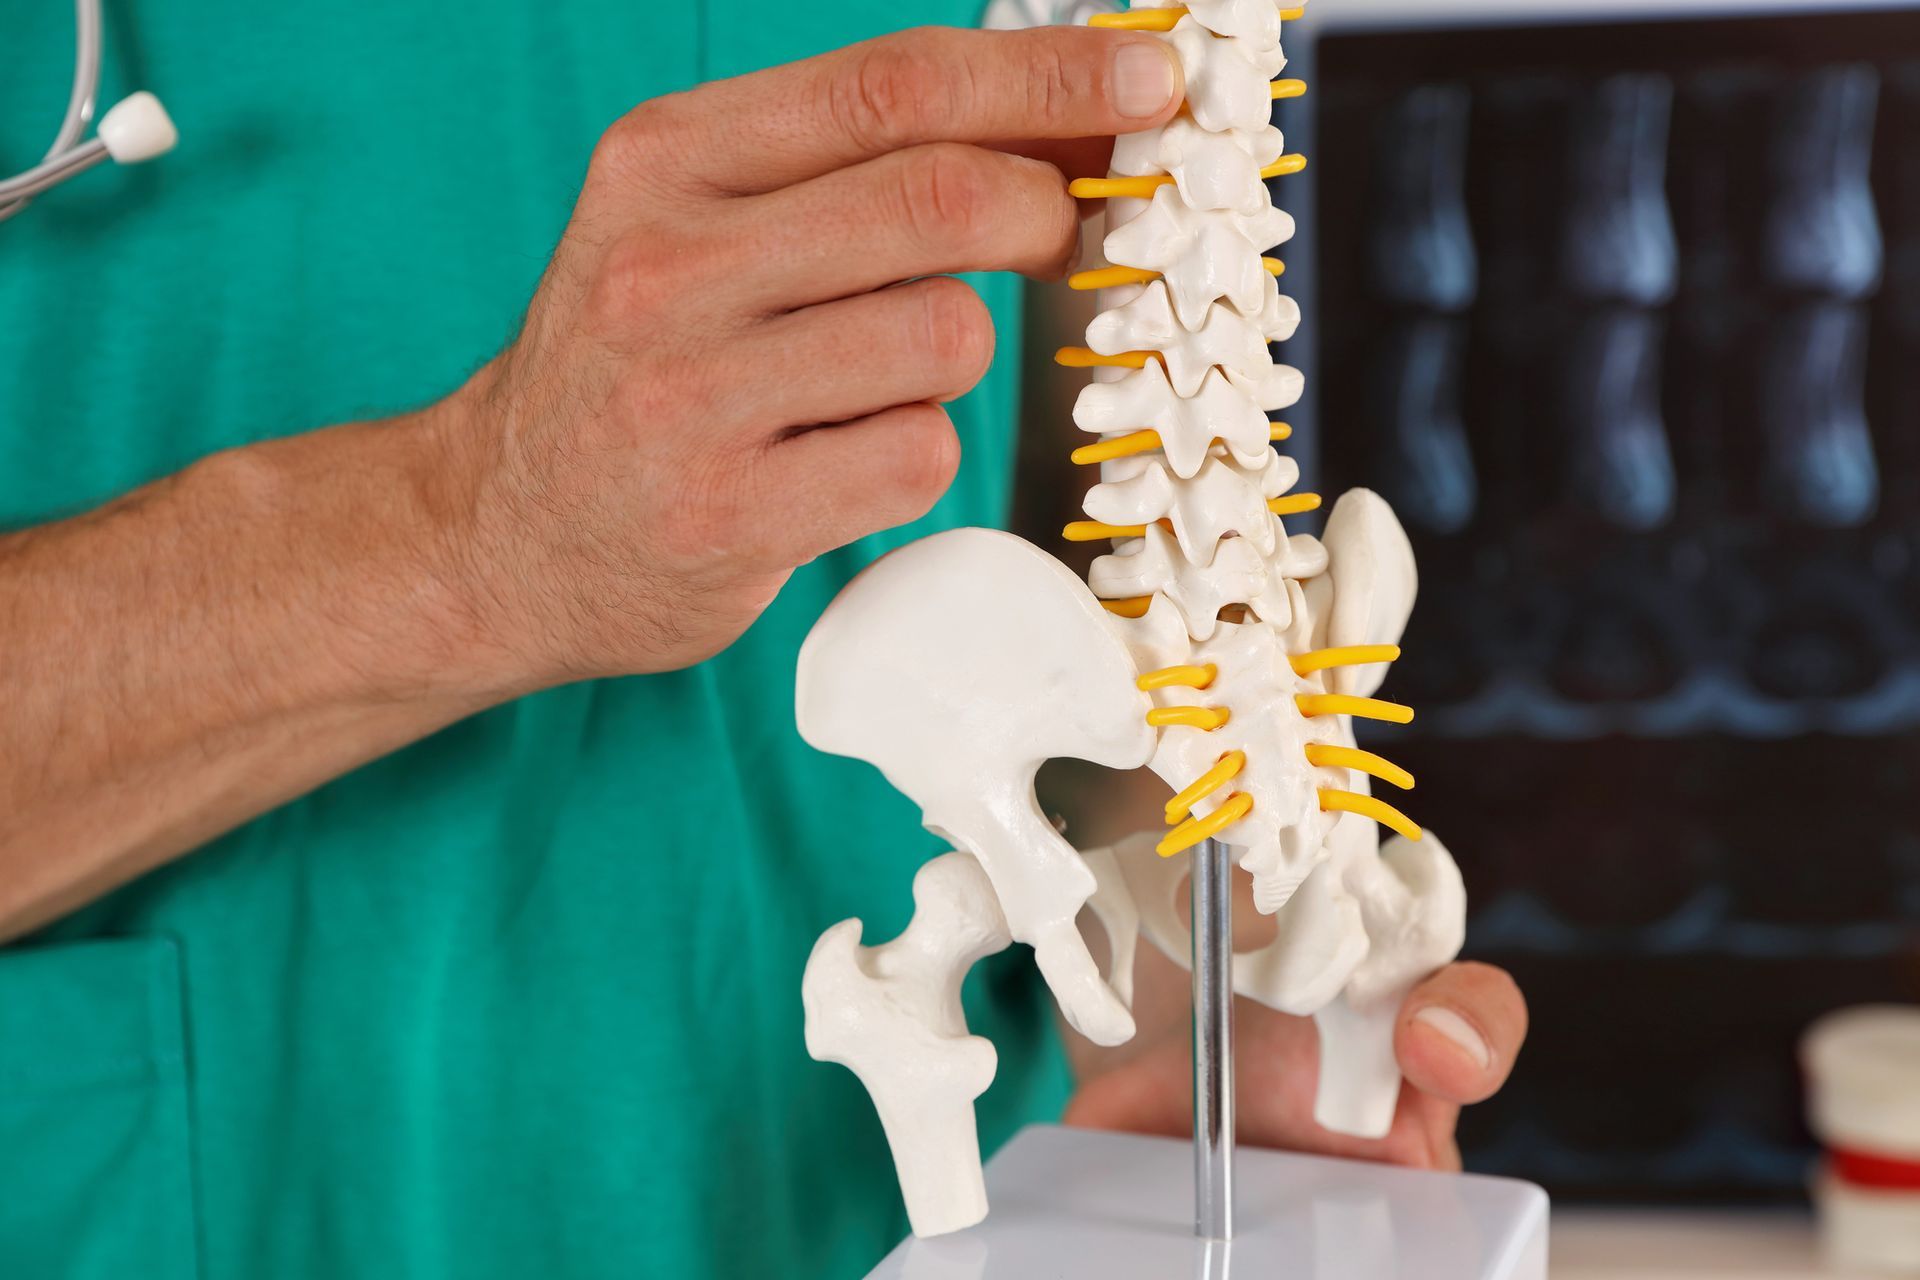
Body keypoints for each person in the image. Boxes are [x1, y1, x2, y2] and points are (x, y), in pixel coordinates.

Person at [0, 8, 1527, 1277]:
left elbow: (1078, 430)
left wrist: (1169, 944)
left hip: (895, 1192)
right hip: (191, 1201)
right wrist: (468, 534)